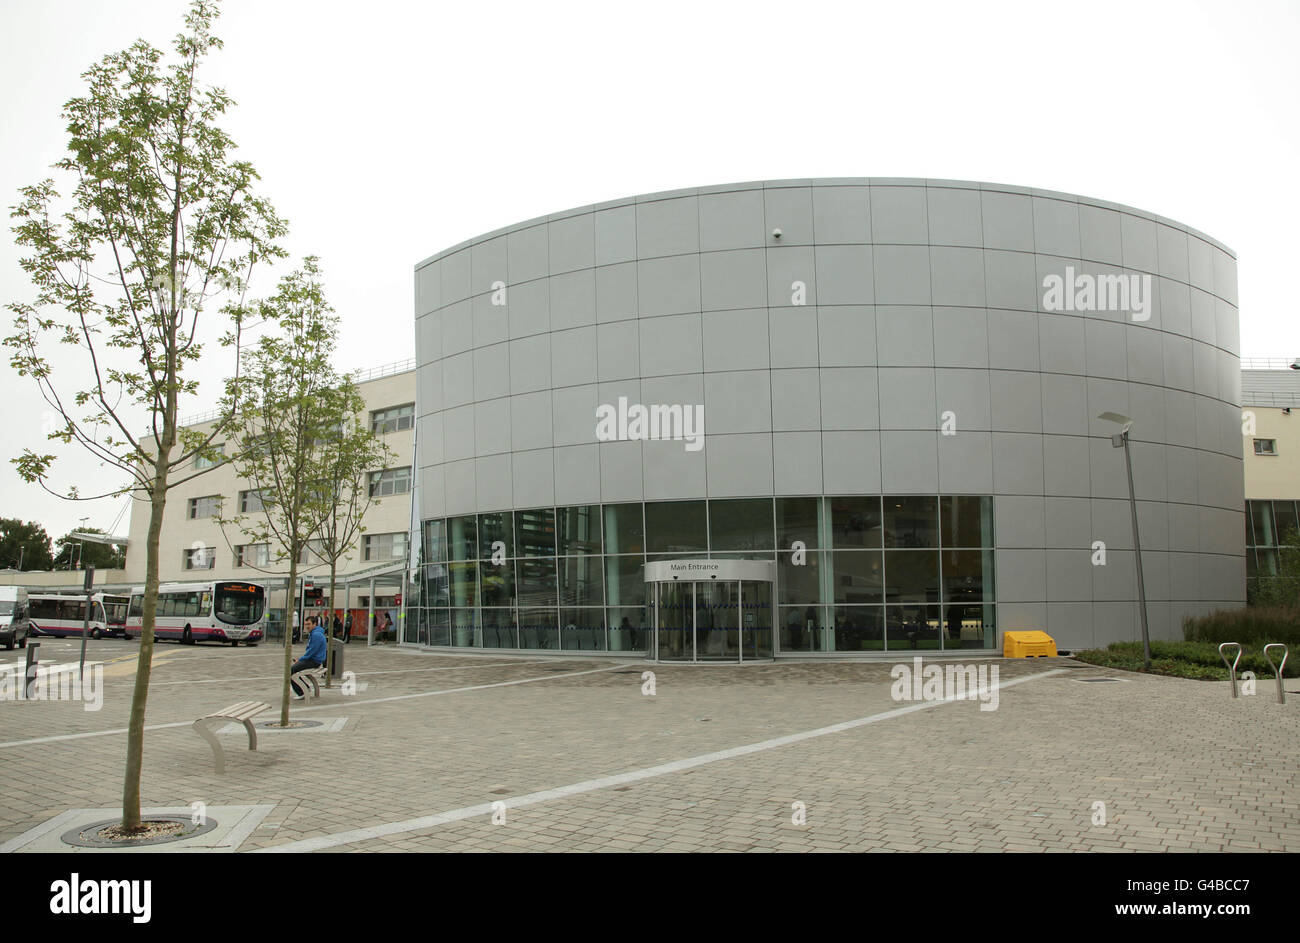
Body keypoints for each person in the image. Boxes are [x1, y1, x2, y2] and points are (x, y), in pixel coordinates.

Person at [291, 617, 327, 698]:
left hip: (314, 661)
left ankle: (301, 692)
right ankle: (305, 688)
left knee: (291, 670)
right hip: (315, 660)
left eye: (309, 624)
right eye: (306, 624)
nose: (307, 626)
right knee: (294, 669)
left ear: (314, 624)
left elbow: (311, 651)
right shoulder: (315, 633)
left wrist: (300, 660)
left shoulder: (316, 635)